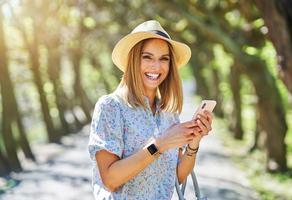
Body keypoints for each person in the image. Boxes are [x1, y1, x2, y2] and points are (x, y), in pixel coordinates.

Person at [88, 20, 213, 200]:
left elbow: (176, 176)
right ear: (133, 60)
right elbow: (110, 179)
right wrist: (160, 144)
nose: (156, 66)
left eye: (164, 59)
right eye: (147, 57)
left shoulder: (168, 113)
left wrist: (194, 142)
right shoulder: (111, 107)